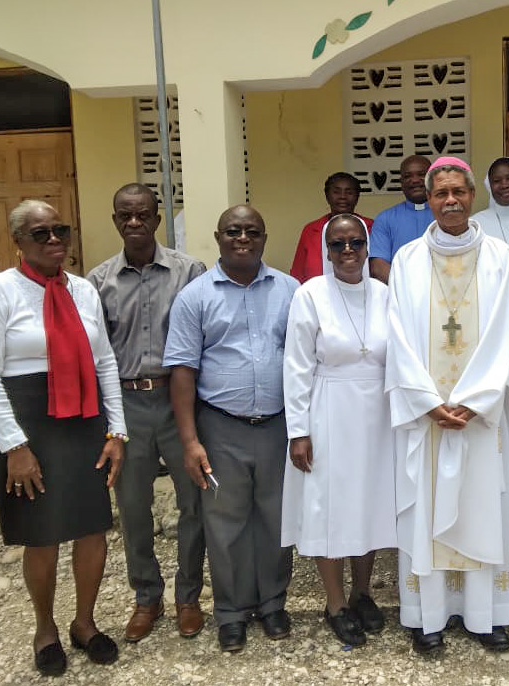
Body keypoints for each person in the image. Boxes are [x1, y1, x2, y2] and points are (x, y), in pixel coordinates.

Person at [0, 200, 126, 676]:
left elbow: (105, 363)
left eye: (61, 230)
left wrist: (117, 429)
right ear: (18, 240)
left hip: (84, 419)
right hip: (29, 423)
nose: (54, 240)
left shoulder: (82, 290)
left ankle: (85, 622)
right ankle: (45, 629)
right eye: (41, 233)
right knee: (42, 535)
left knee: (92, 527)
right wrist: (13, 446)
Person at [387, 156, 509, 654]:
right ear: (430, 197)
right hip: (428, 417)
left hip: (478, 415)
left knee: (482, 504)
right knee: (427, 509)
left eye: (458, 192)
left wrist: (475, 399)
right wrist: (426, 401)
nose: (450, 201)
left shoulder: (498, 258)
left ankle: (484, 616)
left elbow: (505, 333)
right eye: (441, 192)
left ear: (472, 196)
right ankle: (429, 618)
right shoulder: (406, 260)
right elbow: (397, 336)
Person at [163, 204, 298, 653]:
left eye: (252, 231)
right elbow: (182, 370)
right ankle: (231, 613)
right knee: (225, 523)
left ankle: (274, 603)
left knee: (276, 519)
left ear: (264, 236)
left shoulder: (290, 290)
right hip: (221, 426)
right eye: (234, 231)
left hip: (279, 425)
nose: (243, 238)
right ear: (218, 237)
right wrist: (189, 440)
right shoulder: (195, 296)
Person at [86, 183, 207, 643]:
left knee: (192, 501)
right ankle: (147, 597)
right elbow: (97, 354)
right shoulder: (98, 281)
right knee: (133, 507)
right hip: (125, 406)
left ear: (158, 218)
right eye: (125, 216)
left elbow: (202, 339)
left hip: (178, 402)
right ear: (115, 220)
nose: (134, 223)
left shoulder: (188, 272)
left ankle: (188, 597)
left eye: (142, 215)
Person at [282, 214, 397, 646]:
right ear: (327, 251)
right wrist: (299, 431)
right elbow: (296, 367)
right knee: (329, 505)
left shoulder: (385, 294)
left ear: (367, 247)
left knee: (366, 502)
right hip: (328, 409)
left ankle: (363, 592)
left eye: (355, 243)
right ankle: (335, 603)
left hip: (378, 415)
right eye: (338, 244)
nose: (347, 252)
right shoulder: (310, 294)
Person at [289, 172, 374, 283]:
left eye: (349, 192)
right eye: (336, 192)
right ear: (327, 196)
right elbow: (298, 274)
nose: (342, 197)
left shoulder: (371, 227)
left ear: (357, 196)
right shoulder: (311, 230)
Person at [369, 155, 434, 283]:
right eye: (407, 176)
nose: (414, 180)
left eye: (421, 174)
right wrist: (406, 290)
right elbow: (378, 266)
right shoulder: (385, 218)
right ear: (401, 182)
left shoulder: (446, 215)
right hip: (400, 295)